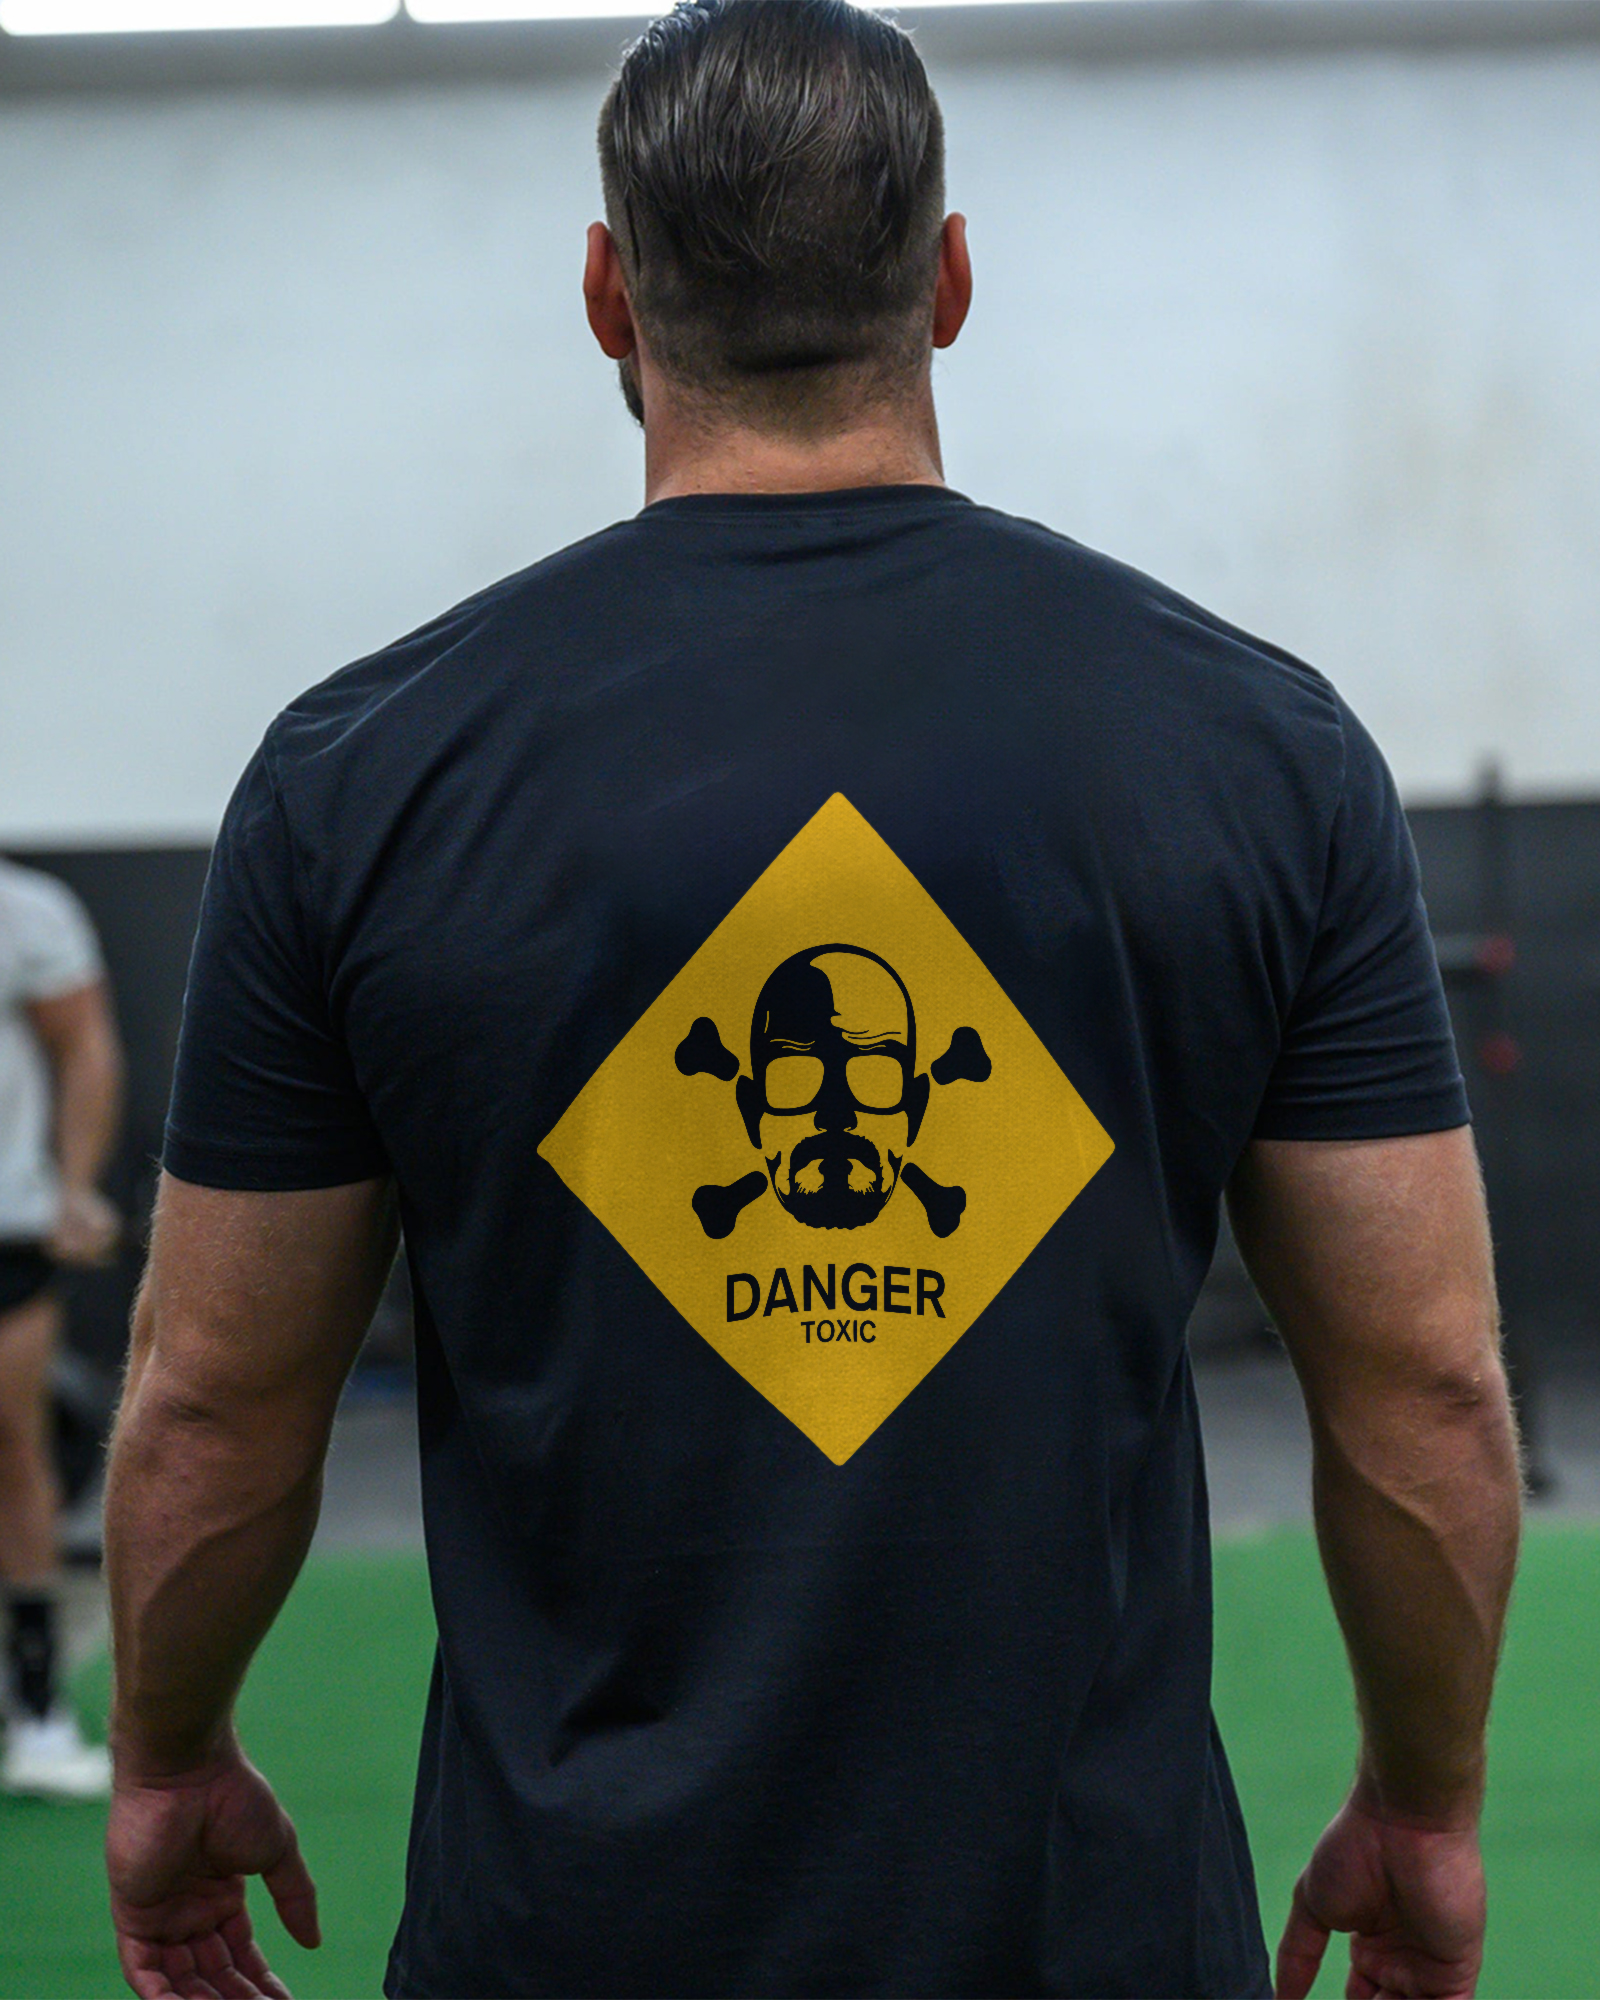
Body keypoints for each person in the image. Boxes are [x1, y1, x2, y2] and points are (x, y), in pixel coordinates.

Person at [103, 3, 1522, 1995]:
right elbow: (1427, 1390)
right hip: (1093, 1944)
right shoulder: (1257, 752)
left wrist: (165, 1758)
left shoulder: (361, 779)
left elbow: (213, 1405)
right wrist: (1424, 1804)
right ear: (947, 280)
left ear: (609, 296)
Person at [0, 857, 122, 1798]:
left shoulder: (26, 911)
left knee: (13, 1448)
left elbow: (82, 1042)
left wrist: (76, 1187)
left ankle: (38, 1711)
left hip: (7, 1228)